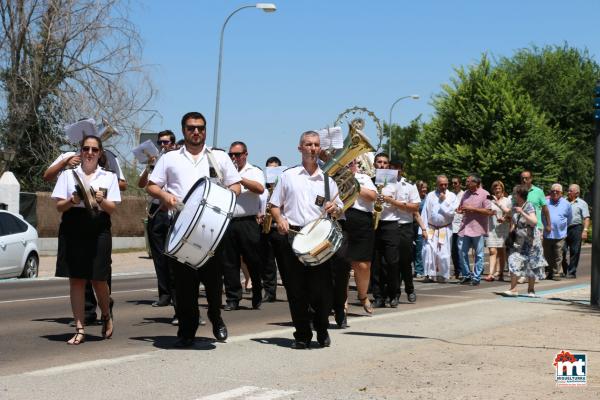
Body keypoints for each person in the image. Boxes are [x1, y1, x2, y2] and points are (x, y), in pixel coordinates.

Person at [146, 111, 241, 348]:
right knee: (184, 284)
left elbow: (236, 185)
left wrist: (226, 197)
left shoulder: (218, 157)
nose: (196, 131)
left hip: (213, 229)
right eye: (191, 128)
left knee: (213, 281)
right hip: (180, 227)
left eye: (200, 127)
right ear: (184, 130)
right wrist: (165, 196)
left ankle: (215, 316)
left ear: (205, 130)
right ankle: (187, 329)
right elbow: (151, 186)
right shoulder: (169, 158)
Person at [269, 131, 343, 349]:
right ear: (300, 148)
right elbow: (274, 205)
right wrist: (279, 219)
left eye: (316, 145)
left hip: (319, 240)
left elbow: (338, 212)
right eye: (308, 144)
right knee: (296, 289)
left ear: (320, 149)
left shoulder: (329, 181)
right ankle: (301, 334)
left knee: (322, 290)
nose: (312, 148)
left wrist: (335, 208)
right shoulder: (288, 176)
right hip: (293, 236)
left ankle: (321, 327)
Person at [51, 135, 120, 344]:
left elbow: (113, 208)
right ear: (80, 152)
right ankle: (80, 327)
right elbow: (58, 206)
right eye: (86, 149)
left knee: (98, 278)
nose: (90, 153)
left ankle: (106, 314)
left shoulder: (108, 176)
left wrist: (102, 200)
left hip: (98, 227)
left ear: (100, 154)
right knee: (77, 279)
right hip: (73, 226)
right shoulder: (68, 175)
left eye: (94, 150)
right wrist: (72, 200)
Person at [371, 154, 420, 307]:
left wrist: (390, 200)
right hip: (376, 224)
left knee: (393, 262)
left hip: (393, 224)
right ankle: (378, 296)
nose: (382, 165)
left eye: (385, 163)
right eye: (379, 162)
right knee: (377, 263)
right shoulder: (370, 181)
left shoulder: (397, 182)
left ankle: (394, 294)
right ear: (374, 164)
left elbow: (408, 205)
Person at [221, 141, 265, 310]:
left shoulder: (254, 171)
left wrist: (239, 178)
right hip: (228, 221)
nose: (234, 158)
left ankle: (257, 291)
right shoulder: (223, 173)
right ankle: (233, 298)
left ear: (245, 154)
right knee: (229, 262)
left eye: (237, 155)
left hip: (248, 221)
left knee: (252, 260)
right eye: (231, 155)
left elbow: (260, 188)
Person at [138, 130, 177, 308]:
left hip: (172, 207)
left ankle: (177, 295)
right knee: (158, 254)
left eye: (166, 142)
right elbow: (141, 184)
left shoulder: (177, 160)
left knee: (173, 256)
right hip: (156, 209)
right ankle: (164, 294)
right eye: (160, 143)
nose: (163, 146)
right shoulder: (154, 161)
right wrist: (149, 168)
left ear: (173, 144)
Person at [345, 159, 377, 314]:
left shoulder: (364, 178)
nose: (350, 164)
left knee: (363, 265)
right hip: (341, 219)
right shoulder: (331, 177)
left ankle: (363, 295)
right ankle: (342, 299)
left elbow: (372, 196)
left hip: (362, 220)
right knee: (341, 264)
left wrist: (353, 182)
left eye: (352, 161)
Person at [503, 184, 547, 297]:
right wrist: (497, 204)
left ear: (519, 195)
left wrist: (522, 212)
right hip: (519, 240)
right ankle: (513, 289)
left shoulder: (529, 206)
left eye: (514, 193)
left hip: (531, 241)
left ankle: (531, 290)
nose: (513, 195)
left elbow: (534, 221)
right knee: (513, 260)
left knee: (531, 264)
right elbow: (509, 213)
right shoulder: (514, 205)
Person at [457, 174, 494, 285]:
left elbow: (489, 211)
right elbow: (461, 207)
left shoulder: (485, 194)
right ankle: (467, 274)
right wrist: (460, 210)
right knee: (462, 252)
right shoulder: (465, 193)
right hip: (465, 227)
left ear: (475, 183)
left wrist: (472, 208)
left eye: (468, 181)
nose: (466, 183)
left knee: (479, 254)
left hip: (478, 228)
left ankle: (476, 277)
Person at [420, 175, 456, 283]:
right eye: (441, 184)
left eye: (445, 184)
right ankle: (429, 274)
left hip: (444, 228)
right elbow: (425, 213)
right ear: (437, 184)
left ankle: (442, 274)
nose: (444, 186)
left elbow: (452, 213)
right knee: (428, 250)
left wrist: (444, 201)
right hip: (431, 228)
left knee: (443, 253)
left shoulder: (452, 196)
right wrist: (423, 229)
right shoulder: (430, 195)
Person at [258, 156, 284, 302]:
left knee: (284, 261)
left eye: (275, 168)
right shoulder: (263, 189)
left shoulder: (283, 186)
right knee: (267, 262)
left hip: (279, 228)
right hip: (266, 228)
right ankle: (269, 292)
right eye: (269, 169)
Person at [543, 183, 572, 280]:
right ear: (550, 192)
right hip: (547, 233)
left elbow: (569, 219)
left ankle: (556, 273)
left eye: (557, 191)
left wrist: (563, 228)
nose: (555, 192)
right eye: (553, 191)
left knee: (558, 254)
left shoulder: (566, 204)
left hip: (560, 234)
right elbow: (542, 216)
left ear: (561, 193)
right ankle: (550, 271)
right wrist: (545, 225)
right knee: (547, 254)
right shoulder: (545, 202)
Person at [562, 184, 590, 279]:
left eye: (570, 191)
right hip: (563, 228)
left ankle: (571, 272)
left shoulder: (582, 203)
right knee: (562, 250)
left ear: (577, 193)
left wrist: (585, 231)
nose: (568, 192)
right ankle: (564, 270)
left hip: (576, 228)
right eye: (568, 190)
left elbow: (586, 218)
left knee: (575, 251)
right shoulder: (563, 201)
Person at [484, 181, 511, 281]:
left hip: (503, 228)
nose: (497, 190)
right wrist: (489, 213)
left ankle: (500, 273)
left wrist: (504, 218)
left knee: (501, 251)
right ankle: (491, 274)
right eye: (495, 189)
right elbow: (486, 212)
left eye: (499, 188)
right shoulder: (490, 201)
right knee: (492, 250)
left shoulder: (507, 201)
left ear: (502, 189)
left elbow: (510, 215)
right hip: (491, 228)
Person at [450, 176, 465, 279]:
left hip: (461, 225)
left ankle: (463, 270)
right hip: (451, 225)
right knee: (453, 250)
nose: (454, 185)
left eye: (456, 183)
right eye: (453, 183)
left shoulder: (464, 195)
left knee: (460, 249)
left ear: (460, 184)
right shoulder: (450, 195)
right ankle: (457, 270)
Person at [413, 180, 428, 278]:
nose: (424, 189)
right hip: (412, 225)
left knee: (420, 248)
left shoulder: (428, 198)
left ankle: (420, 270)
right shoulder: (414, 198)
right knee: (414, 249)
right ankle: (417, 268)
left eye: (425, 188)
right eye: (422, 188)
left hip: (422, 226)